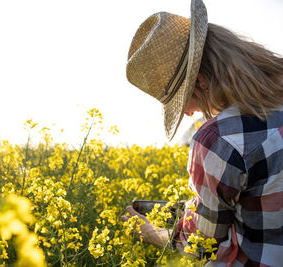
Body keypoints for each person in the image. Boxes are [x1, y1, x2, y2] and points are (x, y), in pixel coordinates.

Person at [120, 0, 283, 266]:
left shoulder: (219, 140)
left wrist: (151, 232)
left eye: (183, 101)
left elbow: (201, 246)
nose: (186, 113)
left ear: (200, 81)